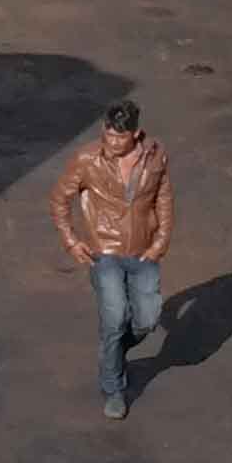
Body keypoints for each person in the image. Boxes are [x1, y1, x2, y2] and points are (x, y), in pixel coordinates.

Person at [54, 99, 175, 420]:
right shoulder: (86, 159)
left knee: (147, 319)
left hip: (144, 250)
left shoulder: (155, 156)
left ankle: (116, 352)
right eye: (108, 136)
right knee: (114, 318)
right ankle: (113, 389)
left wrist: (160, 241)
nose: (112, 143)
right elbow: (59, 199)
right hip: (103, 250)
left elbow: (163, 198)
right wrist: (72, 241)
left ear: (136, 134)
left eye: (120, 138)